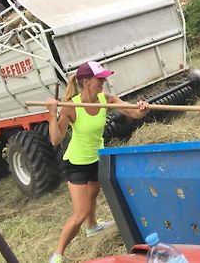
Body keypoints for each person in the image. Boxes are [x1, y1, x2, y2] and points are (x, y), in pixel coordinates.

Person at [47, 61, 149, 263]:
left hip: (96, 157)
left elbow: (132, 112)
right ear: (86, 81)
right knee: (80, 213)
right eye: (99, 78)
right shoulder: (71, 107)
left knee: (93, 193)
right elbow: (55, 139)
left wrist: (142, 108)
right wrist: (52, 115)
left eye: (104, 78)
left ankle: (92, 227)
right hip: (77, 162)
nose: (103, 81)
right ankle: (57, 254)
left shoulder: (106, 99)